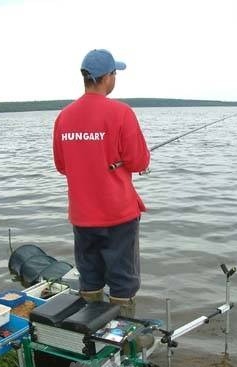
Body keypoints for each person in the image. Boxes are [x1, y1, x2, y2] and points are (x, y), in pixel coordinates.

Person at [53, 49, 150, 319]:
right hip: (118, 215)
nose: (115, 78)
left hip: (82, 217)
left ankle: (91, 336)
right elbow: (139, 162)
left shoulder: (64, 116)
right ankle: (123, 337)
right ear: (107, 77)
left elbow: (62, 166)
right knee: (123, 281)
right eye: (115, 73)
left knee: (90, 278)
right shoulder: (121, 112)